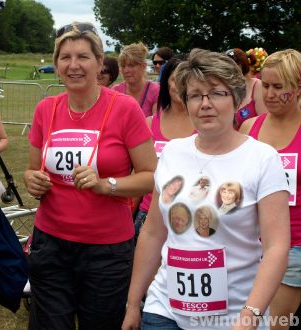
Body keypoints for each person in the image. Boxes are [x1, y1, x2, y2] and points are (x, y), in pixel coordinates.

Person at [122, 48, 290, 330]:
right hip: (165, 310)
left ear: (236, 99)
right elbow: (153, 232)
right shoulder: (172, 152)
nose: (205, 104)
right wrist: (133, 303)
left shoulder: (263, 158)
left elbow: (276, 247)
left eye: (216, 93)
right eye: (195, 95)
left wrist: (249, 317)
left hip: (233, 316)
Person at [24, 22, 157, 330]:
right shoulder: (46, 109)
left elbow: (151, 176)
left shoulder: (124, 109)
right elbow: (33, 170)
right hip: (51, 244)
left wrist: (106, 185)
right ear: (56, 63)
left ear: (100, 63)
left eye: (83, 57)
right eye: (65, 57)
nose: (73, 65)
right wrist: (33, 180)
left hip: (106, 251)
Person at [240, 49, 301, 330]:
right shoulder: (249, 127)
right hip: (250, 242)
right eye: (265, 86)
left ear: (298, 88)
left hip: (294, 244)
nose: (270, 94)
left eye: (279, 87)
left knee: (274, 324)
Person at [133, 55, 194, 241]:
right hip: (149, 214)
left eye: (187, 80)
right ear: (166, 82)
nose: (181, 86)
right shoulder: (149, 124)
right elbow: (139, 174)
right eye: (176, 80)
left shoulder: (207, 126)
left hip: (193, 217)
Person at [113, 42, 160, 117]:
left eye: (131, 65)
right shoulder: (116, 91)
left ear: (143, 66)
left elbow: (156, 124)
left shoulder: (155, 91)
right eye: (123, 66)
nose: (126, 70)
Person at [226, 48, 267, 128]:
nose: (229, 70)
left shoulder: (256, 85)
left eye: (233, 66)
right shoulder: (224, 88)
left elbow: (264, 122)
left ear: (242, 66)